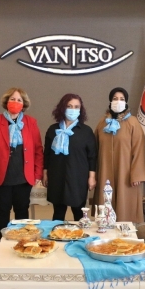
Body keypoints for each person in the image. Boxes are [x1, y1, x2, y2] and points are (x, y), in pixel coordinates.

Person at [0, 87, 44, 236]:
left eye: (19, 100)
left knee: (22, 209)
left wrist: (37, 174)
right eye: (12, 99)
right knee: (2, 210)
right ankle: (3, 240)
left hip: (23, 176)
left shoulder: (31, 122)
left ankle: (22, 240)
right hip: (1, 176)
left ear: (24, 104)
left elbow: (38, 150)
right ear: (6, 101)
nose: (15, 102)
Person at [93, 87, 145, 223]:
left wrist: (137, 174)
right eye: (115, 99)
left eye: (122, 99)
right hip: (105, 172)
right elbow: (94, 149)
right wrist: (93, 174)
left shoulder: (133, 122)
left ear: (126, 102)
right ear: (110, 101)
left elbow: (140, 149)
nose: (118, 101)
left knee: (125, 210)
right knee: (105, 206)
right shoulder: (102, 123)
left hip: (126, 174)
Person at [43, 93, 97, 221]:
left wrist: (92, 177)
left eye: (76, 107)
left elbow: (92, 156)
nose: (73, 109)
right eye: (69, 106)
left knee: (79, 214)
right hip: (57, 177)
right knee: (58, 213)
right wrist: (45, 173)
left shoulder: (86, 131)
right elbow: (47, 154)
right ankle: (57, 234)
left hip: (78, 178)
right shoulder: (53, 129)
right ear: (62, 108)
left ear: (80, 110)